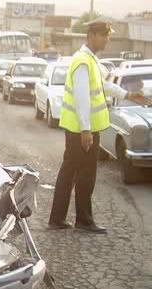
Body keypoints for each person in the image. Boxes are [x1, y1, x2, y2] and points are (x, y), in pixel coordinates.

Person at [48, 19, 152, 234]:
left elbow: (102, 86)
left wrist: (128, 94)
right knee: (83, 173)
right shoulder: (83, 61)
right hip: (81, 130)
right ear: (93, 35)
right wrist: (86, 130)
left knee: (71, 172)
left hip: (80, 128)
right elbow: (82, 97)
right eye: (105, 35)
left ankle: (59, 218)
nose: (108, 39)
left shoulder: (89, 59)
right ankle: (82, 221)